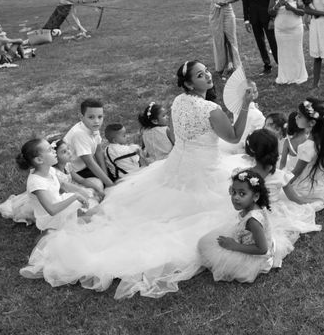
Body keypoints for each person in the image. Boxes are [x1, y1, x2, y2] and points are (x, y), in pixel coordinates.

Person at [20, 60, 257, 299]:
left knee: (158, 207)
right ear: (188, 83)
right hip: (203, 169)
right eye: (199, 74)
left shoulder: (178, 101)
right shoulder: (211, 110)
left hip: (176, 166)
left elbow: (174, 135)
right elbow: (235, 135)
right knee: (210, 208)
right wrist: (245, 105)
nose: (207, 75)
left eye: (206, 71)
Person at [197, 170, 277, 283]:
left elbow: (262, 249)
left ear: (255, 196)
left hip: (255, 256)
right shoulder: (251, 207)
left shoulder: (253, 220)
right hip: (246, 239)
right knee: (206, 242)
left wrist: (234, 246)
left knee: (208, 248)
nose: (235, 197)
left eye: (242, 194)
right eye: (233, 192)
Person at [16, 139, 89, 230]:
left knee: (87, 207)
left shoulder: (50, 169)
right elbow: (52, 210)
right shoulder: (36, 183)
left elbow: (63, 184)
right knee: (88, 218)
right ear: (39, 160)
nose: (54, 151)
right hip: (50, 219)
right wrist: (75, 196)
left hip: (58, 202)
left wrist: (82, 192)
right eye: (50, 150)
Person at [192, 0, 242, 77]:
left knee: (231, 39)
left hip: (227, 12)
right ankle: (222, 66)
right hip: (214, 13)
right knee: (219, 40)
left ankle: (235, 66)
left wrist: (226, 2)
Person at [63, 98, 115, 189]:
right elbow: (89, 162)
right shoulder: (79, 134)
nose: (96, 121)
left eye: (100, 117)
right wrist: (110, 185)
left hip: (86, 166)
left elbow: (98, 151)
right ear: (81, 117)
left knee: (113, 174)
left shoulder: (93, 127)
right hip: (75, 171)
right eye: (91, 117)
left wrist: (106, 174)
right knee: (99, 185)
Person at [268, 0, 308, 85]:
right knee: (283, 52)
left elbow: (302, 12)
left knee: (296, 52)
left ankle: (298, 75)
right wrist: (276, 7)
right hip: (280, 30)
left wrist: (292, 8)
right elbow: (269, 12)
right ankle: (285, 76)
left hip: (295, 29)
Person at [240, 0, 277, 74]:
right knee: (260, 42)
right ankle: (267, 65)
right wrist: (246, 20)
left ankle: (280, 63)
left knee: (272, 40)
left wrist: (272, 17)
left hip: (266, 15)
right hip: (254, 17)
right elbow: (245, 2)